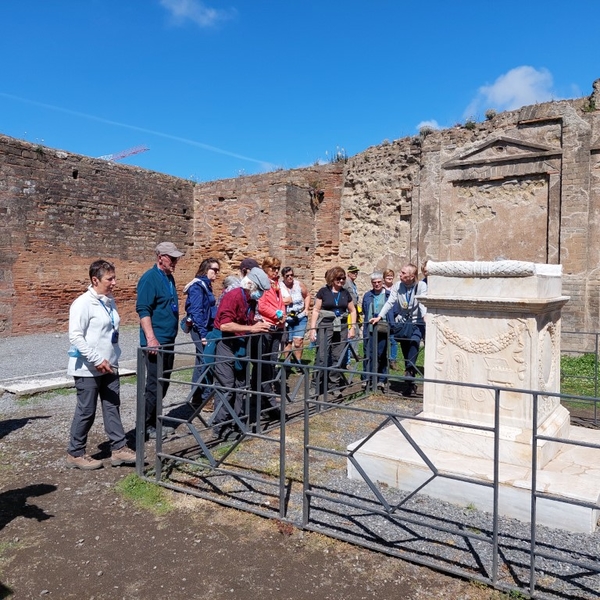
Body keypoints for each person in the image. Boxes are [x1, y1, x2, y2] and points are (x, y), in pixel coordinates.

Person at [66, 260, 136, 470]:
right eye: (110, 279)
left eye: (115, 277)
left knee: (112, 405)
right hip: (88, 368)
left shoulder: (108, 301)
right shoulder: (82, 303)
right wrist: (96, 360)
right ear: (95, 280)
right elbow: (76, 337)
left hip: (109, 365)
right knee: (86, 410)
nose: (114, 282)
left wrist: (110, 359)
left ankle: (119, 448)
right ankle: (75, 452)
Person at [212, 267, 272, 436]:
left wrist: (260, 324)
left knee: (241, 386)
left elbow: (248, 320)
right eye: (260, 290)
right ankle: (220, 427)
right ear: (251, 286)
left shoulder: (251, 300)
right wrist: (252, 328)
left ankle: (237, 421)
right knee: (226, 386)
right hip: (226, 343)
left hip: (240, 344)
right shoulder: (234, 296)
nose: (261, 294)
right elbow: (225, 325)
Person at [136, 241, 184, 439]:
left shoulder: (169, 277)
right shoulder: (149, 278)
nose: (175, 262)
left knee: (164, 382)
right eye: (171, 258)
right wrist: (151, 339)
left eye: (176, 258)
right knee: (155, 384)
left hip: (168, 339)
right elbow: (143, 310)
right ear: (160, 257)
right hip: (156, 342)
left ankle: (155, 421)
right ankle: (145, 426)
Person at [369, 263, 427, 396]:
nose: (399, 275)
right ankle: (410, 379)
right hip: (402, 323)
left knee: (414, 343)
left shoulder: (421, 286)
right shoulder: (397, 286)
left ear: (411, 276)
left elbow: (423, 302)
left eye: (403, 273)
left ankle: (409, 372)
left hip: (417, 322)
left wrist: (424, 316)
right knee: (406, 351)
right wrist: (379, 316)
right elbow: (390, 302)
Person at [309, 266, 357, 398]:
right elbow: (316, 310)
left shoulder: (345, 293)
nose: (341, 281)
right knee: (322, 355)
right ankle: (315, 385)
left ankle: (333, 385)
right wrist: (313, 329)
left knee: (337, 356)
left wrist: (351, 327)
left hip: (340, 326)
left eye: (343, 278)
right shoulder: (323, 292)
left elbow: (352, 310)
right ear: (332, 278)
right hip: (326, 325)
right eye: (338, 278)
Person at [183, 258, 220, 406]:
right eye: (214, 270)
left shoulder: (206, 285)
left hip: (206, 327)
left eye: (218, 270)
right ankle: (204, 398)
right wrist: (203, 334)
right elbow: (197, 311)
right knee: (206, 361)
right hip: (200, 329)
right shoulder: (197, 286)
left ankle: (198, 397)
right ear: (206, 269)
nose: (217, 273)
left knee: (202, 361)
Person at [255, 257, 286, 407]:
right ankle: (261, 392)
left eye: (277, 268)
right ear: (266, 269)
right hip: (267, 327)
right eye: (273, 268)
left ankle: (268, 390)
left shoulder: (277, 284)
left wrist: (283, 315)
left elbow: (281, 303)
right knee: (263, 361)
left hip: (278, 327)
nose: (275, 271)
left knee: (273, 360)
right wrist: (277, 314)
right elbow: (261, 305)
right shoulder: (263, 284)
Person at [362, 272, 394, 392]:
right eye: (374, 282)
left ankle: (381, 379)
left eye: (379, 282)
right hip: (369, 328)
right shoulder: (367, 295)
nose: (377, 284)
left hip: (383, 328)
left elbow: (393, 310)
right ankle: (367, 378)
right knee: (368, 353)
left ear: (383, 282)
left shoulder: (388, 295)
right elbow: (365, 310)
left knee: (381, 354)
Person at [280, 266, 311, 365]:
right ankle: (287, 363)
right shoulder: (280, 286)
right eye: (287, 276)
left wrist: (306, 309)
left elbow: (307, 295)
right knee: (287, 341)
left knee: (298, 341)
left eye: (291, 275)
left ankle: (298, 363)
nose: (290, 277)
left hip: (300, 316)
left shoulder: (298, 284)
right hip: (287, 318)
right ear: (283, 277)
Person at [344, 265, 361, 364]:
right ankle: (350, 354)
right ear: (348, 273)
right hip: (348, 311)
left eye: (356, 272)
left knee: (356, 332)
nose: (355, 274)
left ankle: (354, 353)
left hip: (354, 310)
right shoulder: (346, 282)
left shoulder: (353, 284)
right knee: (351, 332)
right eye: (353, 272)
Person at [383, 269, 399, 371]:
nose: (389, 277)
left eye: (391, 276)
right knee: (383, 340)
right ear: (384, 278)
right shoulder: (382, 289)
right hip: (384, 318)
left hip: (394, 317)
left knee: (393, 340)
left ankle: (393, 360)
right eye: (387, 276)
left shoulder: (395, 288)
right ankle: (383, 359)